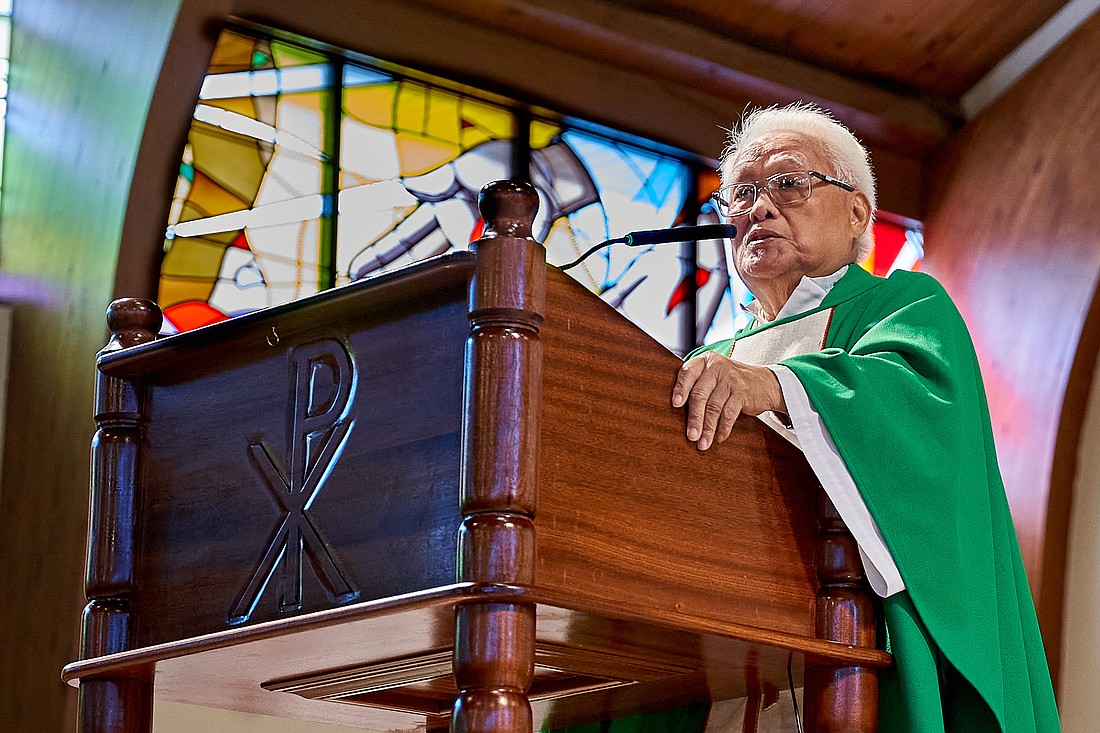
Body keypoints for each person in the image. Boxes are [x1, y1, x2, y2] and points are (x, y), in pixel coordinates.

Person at [665, 103, 1061, 732]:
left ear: (857, 214)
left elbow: (916, 413)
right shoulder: (704, 362)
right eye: (740, 195)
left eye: (788, 184)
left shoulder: (905, 306)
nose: (758, 209)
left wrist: (777, 386)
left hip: (854, 643)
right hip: (717, 653)